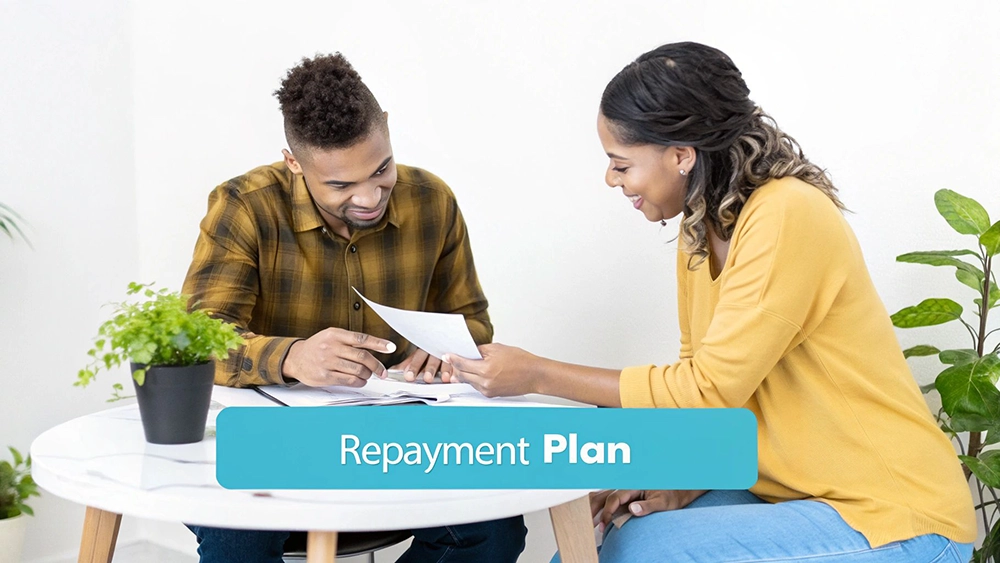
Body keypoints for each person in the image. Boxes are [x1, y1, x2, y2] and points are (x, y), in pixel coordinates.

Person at [443, 42, 976, 562]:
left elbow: (707, 389)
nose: (611, 178)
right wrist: (682, 479)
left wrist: (538, 374)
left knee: (637, 550)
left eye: (620, 163)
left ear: (681, 155)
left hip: (895, 517)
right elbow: (713, 390)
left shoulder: (788, 214)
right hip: (791, 494)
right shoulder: (699, 232)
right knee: (592, 543)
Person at [181, 53, 525, 563]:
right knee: (241, 535)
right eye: (340, 186)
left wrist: (445, 352)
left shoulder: (433, 200)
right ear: (293, 162)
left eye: (381, 169)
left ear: (385, 127)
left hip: (390, 443)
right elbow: (197, 343)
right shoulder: (245, 206)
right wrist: (292, 357)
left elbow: (470, 319)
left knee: (493, 527)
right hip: (268, 443)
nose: (369, 196)